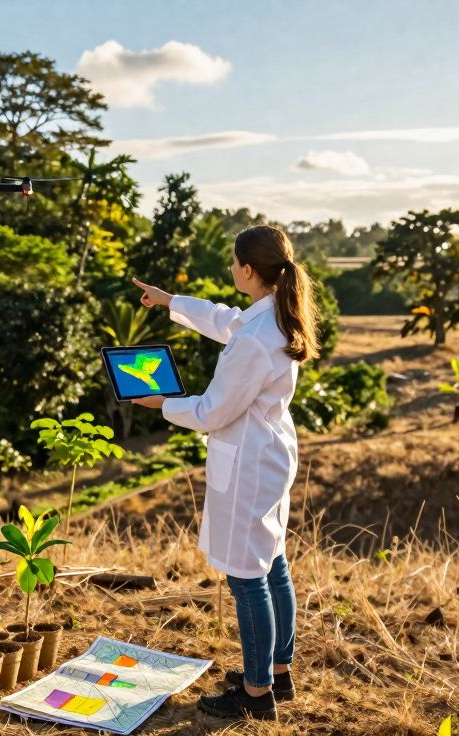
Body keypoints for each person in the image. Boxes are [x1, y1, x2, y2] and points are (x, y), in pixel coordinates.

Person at [131, 224, 319, 721]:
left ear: (248, 270)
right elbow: (224, 320)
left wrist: (162, 403)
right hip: (270, 455)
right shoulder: (273, 317)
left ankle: (256, 694)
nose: (231, 270)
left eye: (234, 264)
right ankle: (277, 672)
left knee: (246, 576)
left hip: (249, 465)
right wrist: (171, 301)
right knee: (272, 563)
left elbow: (212, 411)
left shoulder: (254, 340)